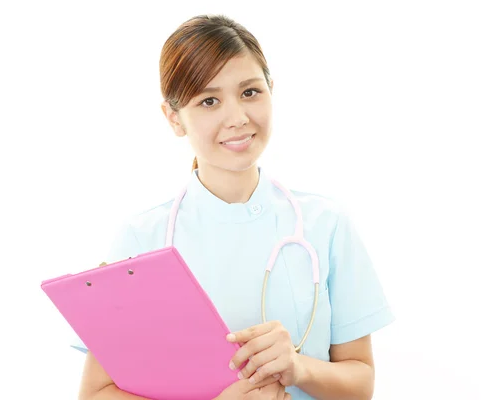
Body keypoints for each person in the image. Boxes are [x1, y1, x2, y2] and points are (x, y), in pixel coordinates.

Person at [72, 14, 395, 400]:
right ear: (174, 118)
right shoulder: (142, 236)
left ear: (271, 89)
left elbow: (361, 384)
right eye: (209, 100)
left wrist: (298, 368)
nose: (238, 118)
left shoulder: (325, 224)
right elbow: (96, 394)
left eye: (250, 92)